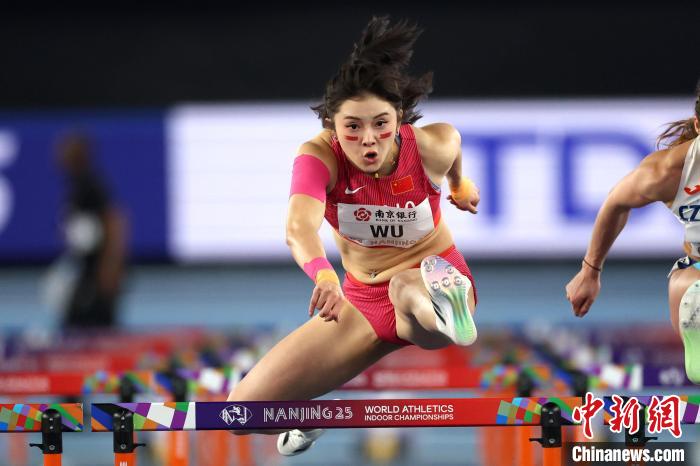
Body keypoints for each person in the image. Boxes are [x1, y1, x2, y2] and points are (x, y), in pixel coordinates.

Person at [227, 16, 480, 456]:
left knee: (407, 292)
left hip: (430, 280)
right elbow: (298, 228)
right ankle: (305, 421)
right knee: (239, 414)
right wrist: (325, 277)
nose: (368, 140)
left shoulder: (428, 147)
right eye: (353, 127)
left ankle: (447, 306)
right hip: (361, 302)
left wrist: (458, 184)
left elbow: (453, 142)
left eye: (381, 124)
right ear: (331, 124)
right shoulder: (318, 157)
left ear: (399, 118)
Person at [565, 79, 700, 385]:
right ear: (698, 126)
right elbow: (616, 203)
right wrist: (590, 271)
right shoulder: (667, 172)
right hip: (695, 279)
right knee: (692, 289)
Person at [53, 132, 127, 328]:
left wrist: (110, 267)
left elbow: (116, 221)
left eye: (66, 149)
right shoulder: (75, 186)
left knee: (95, 324)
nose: (59, 154)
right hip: (85, 270)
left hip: (98, 272)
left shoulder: (91, 185)